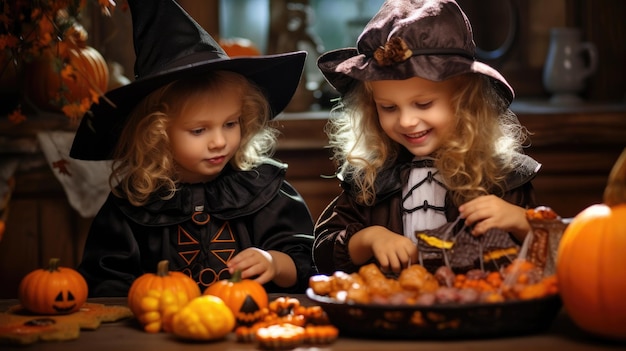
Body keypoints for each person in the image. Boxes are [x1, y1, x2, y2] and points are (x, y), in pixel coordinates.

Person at [69, 0, 314, 297]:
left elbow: (306, 263)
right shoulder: (131, 203)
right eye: (199, 130)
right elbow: (106, 284)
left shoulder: (265, 188)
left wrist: (275, 262)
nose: (219, 141)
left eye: (230, 124)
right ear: (156, 134)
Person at [313, 0, 541, 276]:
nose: (407, 121)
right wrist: (369, 238)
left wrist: (521, 221)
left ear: (464, 103)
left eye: (423, 104)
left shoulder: (502, 175)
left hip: (476, 308)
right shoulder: (370, 178)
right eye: (389, 107)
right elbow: (322, 253)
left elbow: (553, 255)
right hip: (391, 309)